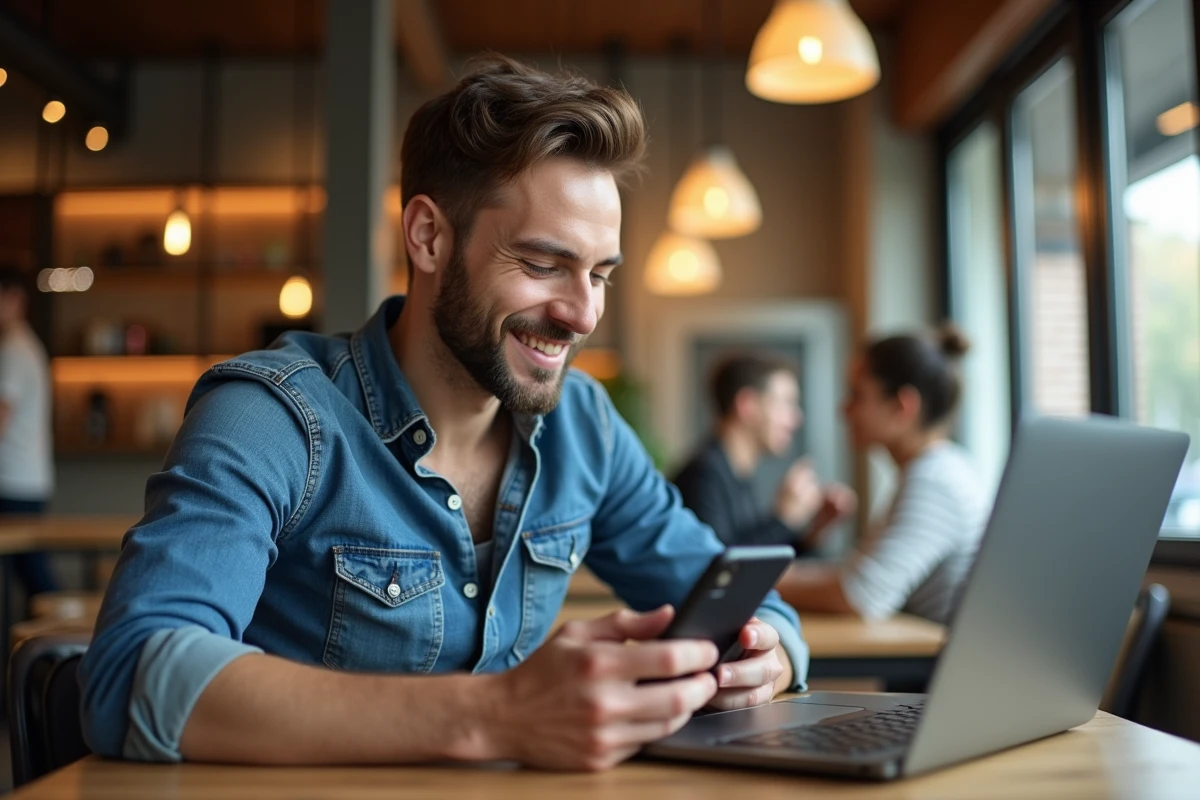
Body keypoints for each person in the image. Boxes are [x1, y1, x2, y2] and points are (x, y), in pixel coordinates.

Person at [79, 56, 807, 771]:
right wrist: (499, 714)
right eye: (542, 264)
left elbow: (739, 594)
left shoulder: (584, 425)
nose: (583, 314)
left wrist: (768, 653)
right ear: (428, 236)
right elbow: (131, 674)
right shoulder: (274, 416)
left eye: (600, 274)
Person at [775, 325, 988, 625]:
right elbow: (861, 577)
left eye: (857, 395)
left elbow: (860, 595)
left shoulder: (935, 482)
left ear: (902, 407)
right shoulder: (936, 470)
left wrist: (763, 583)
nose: (843, 410)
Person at [672, 353, 855, 551]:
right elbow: (721, 571)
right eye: (786, 403)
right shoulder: (704, 475)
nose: (797, 418)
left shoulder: (733, 473)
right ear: (747, 405)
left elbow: (759, 559)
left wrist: (815, 530)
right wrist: (784, 519)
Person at [0, 265, 58, 598]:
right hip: (26, 478)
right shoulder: (27, 346)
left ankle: (63, 642)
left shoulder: (13, 349)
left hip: (12, 480)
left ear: (14, 298)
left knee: (34, 576)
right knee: (31, 573)